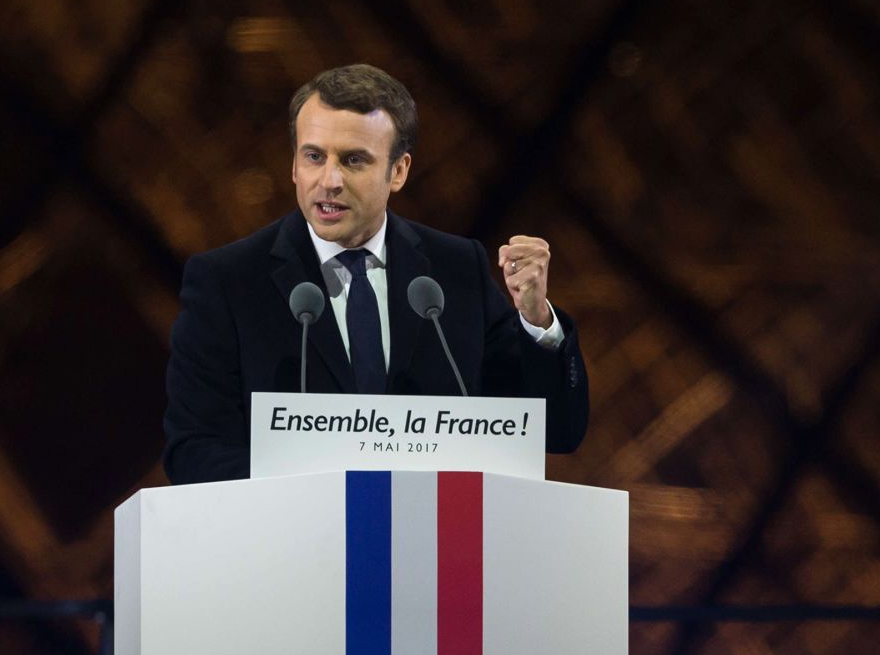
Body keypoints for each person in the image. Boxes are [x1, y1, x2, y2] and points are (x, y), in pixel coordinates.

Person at [163, 64, 588, 484]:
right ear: (294, 165)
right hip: (293, 542)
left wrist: (536, 321)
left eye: (353, 160)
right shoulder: (229, 281)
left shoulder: (456, 270)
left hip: (434, 541)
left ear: (398, 171)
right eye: (314, 157)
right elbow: (194, 450)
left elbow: (556, 432)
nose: (329, 180)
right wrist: (320, 491)